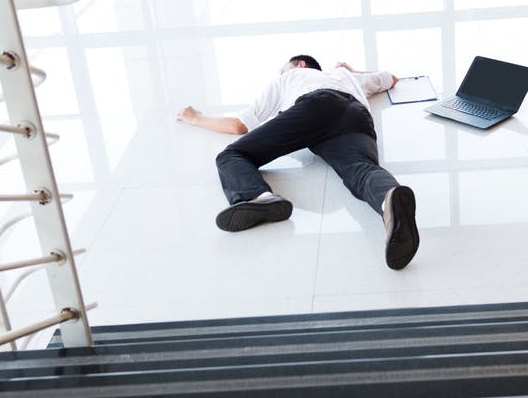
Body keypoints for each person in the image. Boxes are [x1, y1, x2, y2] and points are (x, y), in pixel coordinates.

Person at [176, 54, 419, 269]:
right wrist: (352, 71)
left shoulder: (290, 77)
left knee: (231, 156)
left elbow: (240, 125)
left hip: (316, 106)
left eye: (282, 69)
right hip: (358, 118)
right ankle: (389, 199)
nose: (281, 74)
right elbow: (391, 78)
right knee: (363, 171)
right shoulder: (346, 76)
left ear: (299, 65)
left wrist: (196, 118)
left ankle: (259, 197)